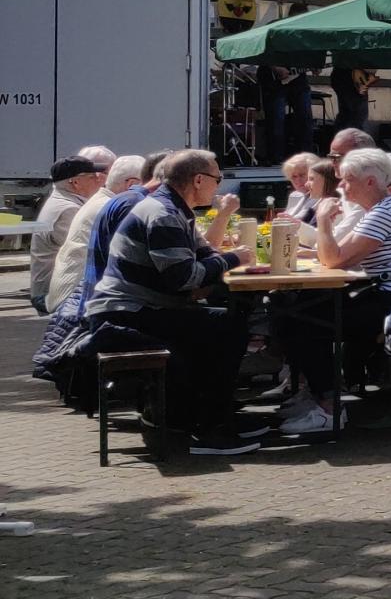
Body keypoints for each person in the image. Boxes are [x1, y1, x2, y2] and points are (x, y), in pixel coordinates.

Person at [87, 151, 259, 454]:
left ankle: (210, 416)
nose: (219, 187)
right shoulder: (163, 213)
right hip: (124, 315)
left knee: (224, 322)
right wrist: (235, 258)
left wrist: (227, 259)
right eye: (217, 179)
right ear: (198, 180)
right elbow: (184, 278)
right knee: (230, 329)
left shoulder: (175, 209)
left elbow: (205, 255)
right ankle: (210, 429)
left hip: (139, 308)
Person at [298, 147, 391, 433]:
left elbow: (333, 258)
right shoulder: (382, 209)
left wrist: (323, 219)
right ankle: (314, 396)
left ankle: (328, 408)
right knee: (300, 311)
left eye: (347, 180)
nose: (340, 186)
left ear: (370, 182)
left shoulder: (384, 213)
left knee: (304, 321)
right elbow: (337, 254)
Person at [45, 154, 147, 313]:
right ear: (132, 184)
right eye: (148, 186)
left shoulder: (101, 200)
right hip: (75, 300)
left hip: (70, 293)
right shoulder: (119, 207)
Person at [30, 157, 105, 309]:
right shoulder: (69, 210)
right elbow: (87, 251)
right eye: (92, 177)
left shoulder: (61, 202)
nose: (99, 180)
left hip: (52, 287)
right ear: (75, 183)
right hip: (53, 292)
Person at [329, 62, 372, 138]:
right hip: (352, 72)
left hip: (344, 71)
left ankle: (341, 145)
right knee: (357, 117)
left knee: (347, 116)